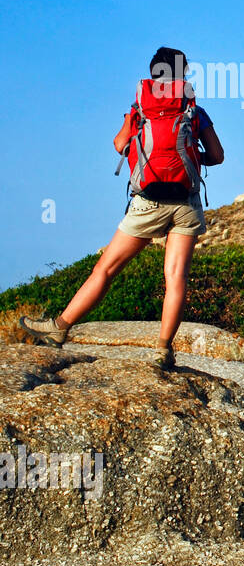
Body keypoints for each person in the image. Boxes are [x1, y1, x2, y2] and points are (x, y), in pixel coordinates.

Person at [20, 46, 225, 368]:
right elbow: (217, 156)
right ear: (184, 74)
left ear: (153, 72)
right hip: (185, 203)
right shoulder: (195, 112)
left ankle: (59, 329)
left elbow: (119, 144)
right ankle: (163, 350)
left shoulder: (140, 107)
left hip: (147, 203)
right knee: (175, 277)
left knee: (106, 269)